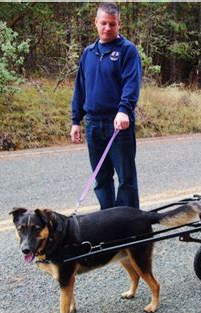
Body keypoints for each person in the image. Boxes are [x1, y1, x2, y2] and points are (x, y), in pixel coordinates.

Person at [70, 2, 142, 209]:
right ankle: (108, 221)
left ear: (119, 24)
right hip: (93, 123)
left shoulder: (127, 50)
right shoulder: (89, 53)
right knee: (101, 178)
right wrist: (76, 120)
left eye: (112, 24)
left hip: (118, 124)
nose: (107, 28)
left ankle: (128, 224)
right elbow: (80, 88)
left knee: (125, 178)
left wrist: (123, 110)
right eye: (103, 23)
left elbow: (131, 83)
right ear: (96, 23)